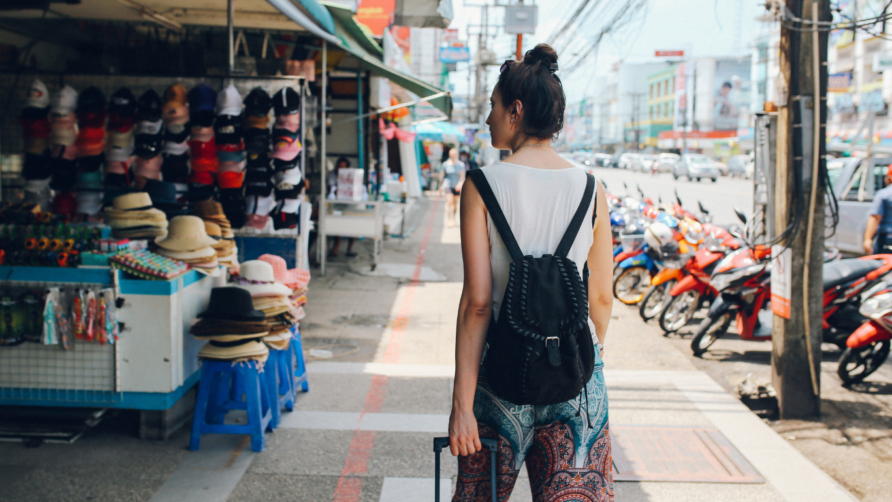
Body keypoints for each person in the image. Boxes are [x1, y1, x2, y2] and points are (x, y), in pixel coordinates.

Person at [449, 44, 614, 501]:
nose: (488, 118)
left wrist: (462, 403)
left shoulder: (481, 185)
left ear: (515, 110)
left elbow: (478, 304)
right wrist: (583, 363)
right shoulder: (591, 187)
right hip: (577, 377)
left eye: (493, 106)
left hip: (502, 371)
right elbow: (601, 299)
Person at [328, 157, 356, 257]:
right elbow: (331, 187)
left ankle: (350, 248)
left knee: (353, 225)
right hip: (337, 203)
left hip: (351, 203)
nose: (340, 169)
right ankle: (335, 248)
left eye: (342, 167)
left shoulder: (352, 174)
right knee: (339, 224)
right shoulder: (332, 174)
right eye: (339, 166)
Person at [864, 164, 892, 254]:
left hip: (887, 239)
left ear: (888, 178)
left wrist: (867, 239)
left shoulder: (884, 194)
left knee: (884, 265)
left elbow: (875, 217)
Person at [441, 147, 466, 227]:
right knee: (449, 202)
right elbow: (442, 176)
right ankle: (449, 220)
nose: (453, 155)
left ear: (457, 155)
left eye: (454, 154)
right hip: (447, 185)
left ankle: (453, 218)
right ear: (450, 155)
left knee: (455, 203)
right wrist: (439, 187)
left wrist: (460, 184)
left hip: (456, 186)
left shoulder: (461, 165)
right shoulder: (445, 164)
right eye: (452, 154)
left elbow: (462, 177)